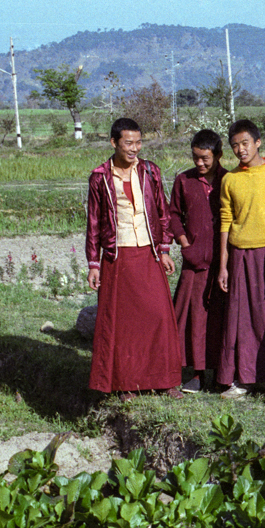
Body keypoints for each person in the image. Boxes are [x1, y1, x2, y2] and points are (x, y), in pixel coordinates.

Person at [86, 117, 182, 401]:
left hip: (148, 253)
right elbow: (93, 223)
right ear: (114, 142)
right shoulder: (100, 176)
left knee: (159, 317)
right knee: (124, 324)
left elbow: (163, 212)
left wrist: (164, 249)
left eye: (139, 142)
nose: (135, 148)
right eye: (128, 143)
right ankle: (126, 384)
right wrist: (94, 263)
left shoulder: (151, 171)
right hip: (119, 255)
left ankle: (166, 381)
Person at [217, 119, 265, 399]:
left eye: (244, 143)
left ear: (258, 142)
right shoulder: (230, 179)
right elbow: (226, 221)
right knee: (242, 318)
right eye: (234, 145)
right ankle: (244, 378)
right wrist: (223, 264)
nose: (240, 150)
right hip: (240, 255)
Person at [169, 129, 228, 393]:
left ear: (218, 155)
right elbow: (172, 215)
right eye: (195, 158)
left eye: (205, 158)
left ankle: (222, 373)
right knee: (192, 318)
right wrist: (184, 243)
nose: (199, 164)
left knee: (220, 319)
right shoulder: (184, 181)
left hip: (224, 263)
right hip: (194, 262)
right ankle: (195, 373)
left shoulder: (229, 180)